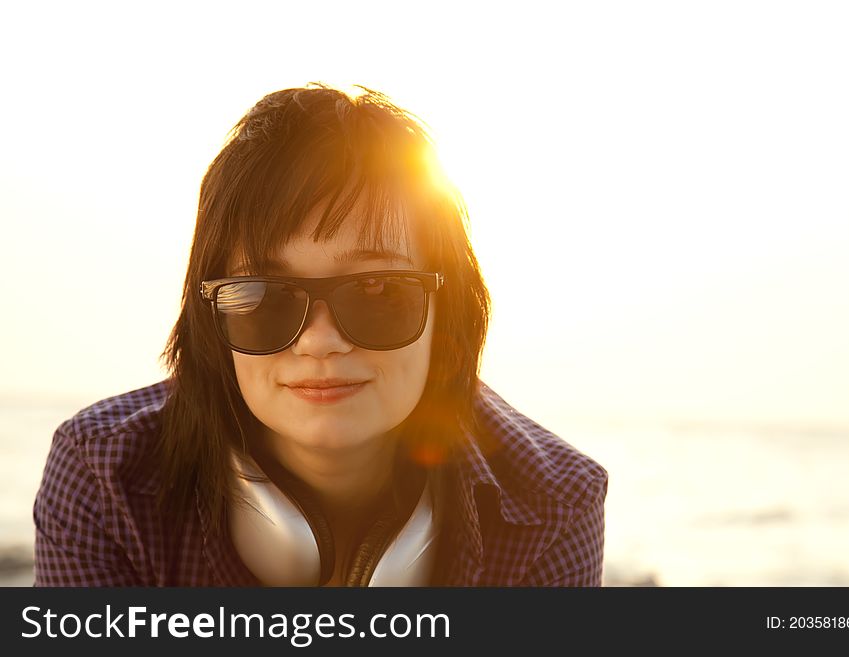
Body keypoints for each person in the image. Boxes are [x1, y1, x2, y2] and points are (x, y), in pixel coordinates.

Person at [32, 83, 609, 586]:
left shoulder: (553, 505)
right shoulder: (106, 477)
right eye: (263, 296)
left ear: (448, 314)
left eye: (378, 291)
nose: (319, 341)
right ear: (213, 320)